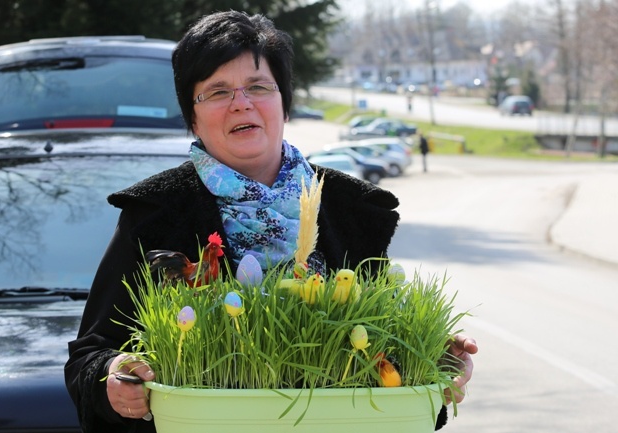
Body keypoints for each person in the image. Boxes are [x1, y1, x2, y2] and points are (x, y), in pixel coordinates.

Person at [64, 10, 477, 433]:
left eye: (258, 86)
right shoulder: (155, 211)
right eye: (218, 91)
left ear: (284, 101)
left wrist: (433, 359)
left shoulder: (351, 207)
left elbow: (387, 348)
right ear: (192, 116)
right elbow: (89, 356)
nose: (241, 102)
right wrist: (113, 377)